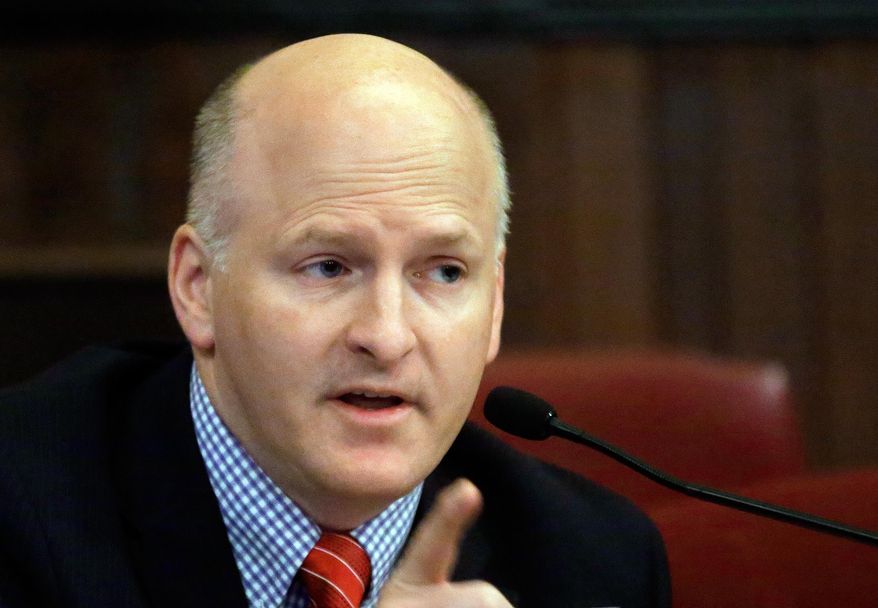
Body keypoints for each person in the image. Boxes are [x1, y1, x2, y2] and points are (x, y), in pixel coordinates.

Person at [0, 34, 670, 607]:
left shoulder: (591, 560)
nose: (385, 335)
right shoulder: (21, 511)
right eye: (328, 267)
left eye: (443, 272)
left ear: (493, 304)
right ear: (198, 288)